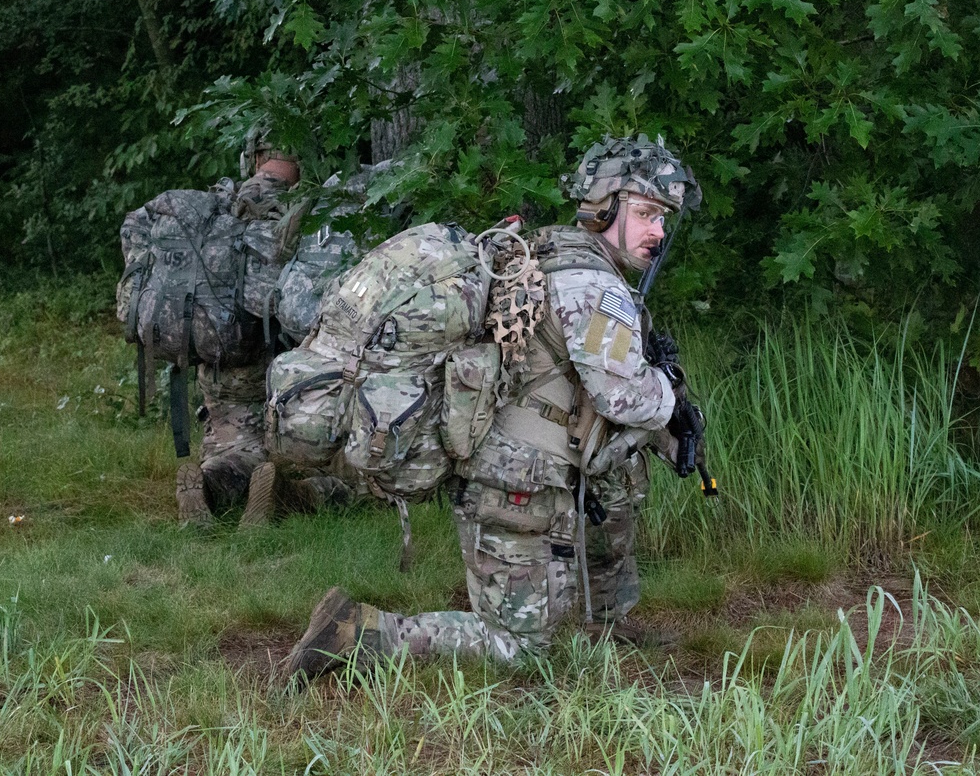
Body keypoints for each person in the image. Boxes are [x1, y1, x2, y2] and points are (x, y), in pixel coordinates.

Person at [284, 133, 702, 679]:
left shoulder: (550, 250)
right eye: (647, 213)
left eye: (663, 218)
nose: (659, 231)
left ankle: (607, 625)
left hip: (514, 471)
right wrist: (669, 395)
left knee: (619, 478)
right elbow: (624, 396)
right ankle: (358, 633)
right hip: (515, 485)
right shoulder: (594, 287)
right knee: (517, 649)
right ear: (604, 209)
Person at [175, 135, 302, 527]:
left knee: (234, 450)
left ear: (256, 156)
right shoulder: (311, 208)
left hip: (226, 360)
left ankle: (211, 486)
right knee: (322, 462)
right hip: (297, 367)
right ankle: (292, 493)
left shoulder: (220, 206)